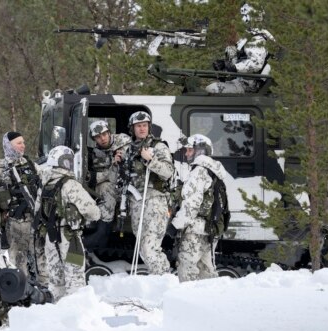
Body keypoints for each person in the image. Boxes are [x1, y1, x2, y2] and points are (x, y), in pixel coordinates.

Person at [0, 131, 48, 286]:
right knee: (18, 263)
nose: (23, 146)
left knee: (42, 260)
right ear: (9, 145)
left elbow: (47, 181)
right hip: (14, 224)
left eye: (23, 142)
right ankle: (23, 296)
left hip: (36, 223)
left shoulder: (31, 164)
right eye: (19, 143)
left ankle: (46, 294)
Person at [36, 146, 100, 301]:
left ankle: (59, 314)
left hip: (50, 240)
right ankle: (77, 314)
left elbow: (37, 212)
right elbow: (93, 212)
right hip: (71, 241)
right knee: (75, 277)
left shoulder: (44, 184)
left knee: (56, 280)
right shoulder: (70, 184)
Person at [115, 111, 174, 275]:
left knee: (150, 248)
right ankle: (160, 278)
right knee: (143, 248)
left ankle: (164, 279)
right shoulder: (129, 149)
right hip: (136, 203)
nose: (142, 129)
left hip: (155, 201)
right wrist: (119, 164)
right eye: (138, 126)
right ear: (132, 128)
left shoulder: (158, 147)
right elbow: (126, 179)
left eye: (144, 126)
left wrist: (150, 160)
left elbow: (168, 172)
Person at [171, 134, 228, 282]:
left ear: (200, 151)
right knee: (206, 270)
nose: (186, 153)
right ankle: (210, 300)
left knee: (187, 268)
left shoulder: (198, 172)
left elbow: (191, 204)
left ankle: (186, 301)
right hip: (209, 228)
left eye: (190, 150)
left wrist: (176, 225)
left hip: (195, 229)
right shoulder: (214, 171)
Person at [206, 2, 275, 94]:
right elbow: (241, 57)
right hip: (243, 80)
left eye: (244, 15)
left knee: (212, 89)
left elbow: (256, 63)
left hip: (249, 84)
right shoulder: (251, 35)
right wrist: (224, 63)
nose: (242, 19)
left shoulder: (258, 38)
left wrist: (234, 67)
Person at [84, 120, 131, 248]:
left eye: (104, 134)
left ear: (109, 132)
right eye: (98, 137)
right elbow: (91, 179)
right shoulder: (94, 155)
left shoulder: (124, 141)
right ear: (94, 139)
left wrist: (124, 159)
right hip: (109, 190)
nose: (103, 139)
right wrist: (111, 168)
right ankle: (102, 232)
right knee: (105, 187)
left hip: (129, 186)